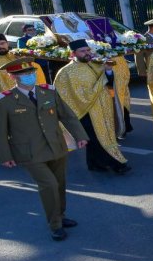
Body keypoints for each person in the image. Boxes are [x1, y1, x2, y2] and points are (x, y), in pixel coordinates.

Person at [0, 59, 90, 241]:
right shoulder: (3, 100)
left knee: (59, 183)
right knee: (49, 185)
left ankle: (60, 215)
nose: (30, 76)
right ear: (12, 77)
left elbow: (67, 116)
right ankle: (55, 224)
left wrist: (80, 136)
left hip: (56, 146)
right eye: (24, 74)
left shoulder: (48, 92)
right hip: (29, 152)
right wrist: (4, 156)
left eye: (32, 72)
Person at [55, 40, 131, 175]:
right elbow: (74, 96)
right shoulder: (66, 72)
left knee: (102, 137)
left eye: (88, 50)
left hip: (104, 108)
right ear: (73, 53)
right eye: (83, 51)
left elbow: (110, 83)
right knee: (97, 139)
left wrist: (108, 71)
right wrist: (102, 81)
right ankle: (118, 164)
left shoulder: (96, 65)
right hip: (85, 111)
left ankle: (94, 164)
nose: (87, 53)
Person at [0, 33, 45, 145]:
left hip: (30, 98)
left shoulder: (18, 56)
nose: (0, 46)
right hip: (11, 104)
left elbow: (34, 74)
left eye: (3, 43)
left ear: (7, 43)